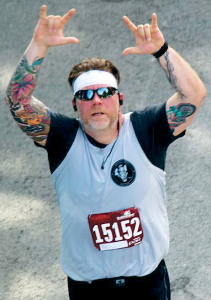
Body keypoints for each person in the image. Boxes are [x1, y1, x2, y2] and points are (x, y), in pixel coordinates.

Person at [5, 5, 206, 300]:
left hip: (147, 286)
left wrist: (161, 50)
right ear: (75, 104)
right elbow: (18, 103)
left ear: (119, 98)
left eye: (105, 92)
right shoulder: (63, 137)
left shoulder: (145, 129)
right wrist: (39, 45)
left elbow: (194, 94)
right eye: (85, 95)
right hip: (89, 290)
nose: (96, 100)